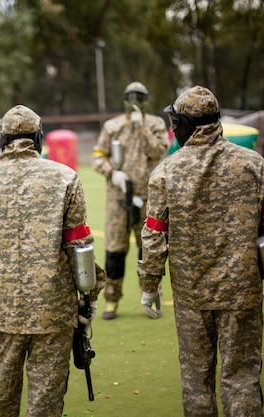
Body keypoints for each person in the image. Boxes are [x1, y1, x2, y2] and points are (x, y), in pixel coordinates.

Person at [137, 86, 264, 417]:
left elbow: (154, 236)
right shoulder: (253, 165)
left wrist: (149, 285)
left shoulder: (166, 171)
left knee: (196, 383)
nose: (172, 128)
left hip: (192, 297)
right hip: (242, 293)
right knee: (243, 381)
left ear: (187, 124)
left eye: (175, 122)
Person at [0, 104, 106, 417]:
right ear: (38, 137)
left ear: (3, 139)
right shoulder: (65, 177)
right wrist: (89, 297)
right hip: (53, 309)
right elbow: (79, 246)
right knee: (46, 401)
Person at [91, 81, 170, 320]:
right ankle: (111, 300)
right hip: (118, 199)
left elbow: (159, 152)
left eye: (140, 97)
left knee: (148, 250)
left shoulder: (156, 124)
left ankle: (151, 296)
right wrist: (112, 173)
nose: (135, 102)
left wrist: (142, 128)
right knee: (115, 250)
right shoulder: (112, 126)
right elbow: (98, 156)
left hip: (149, 198)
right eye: (130, 97)